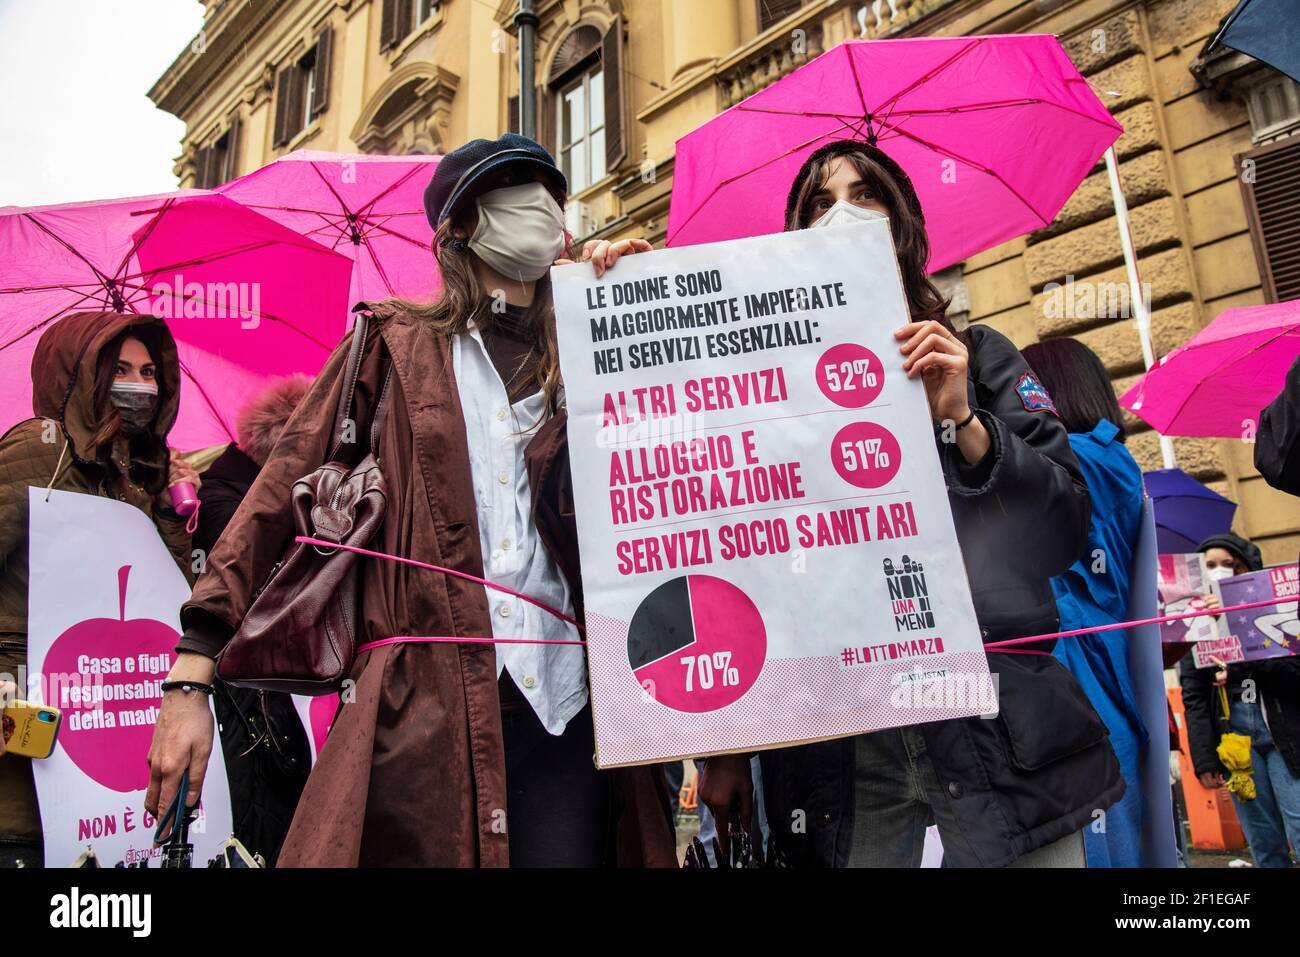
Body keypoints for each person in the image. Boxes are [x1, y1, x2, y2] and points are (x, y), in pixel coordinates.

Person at [146, 134, 677, 867]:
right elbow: (270, 504)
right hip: (418, 718)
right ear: (457, 228)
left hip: (572, 708)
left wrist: (641, 309)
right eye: (505, 192)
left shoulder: (596, 336)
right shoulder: (390, 349)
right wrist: (191, 671)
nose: (534, 206)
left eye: (545, 189)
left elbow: (684, 481)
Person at [699, 139, 1121, 868]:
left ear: (903, 229)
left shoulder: (981, 358)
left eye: (866, 196)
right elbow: (740, 576)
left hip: (998, 734)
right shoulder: (767, 391)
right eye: (819, 204)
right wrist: (727, 749)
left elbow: (1063, 532)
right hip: (845, 752)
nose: (842, 214)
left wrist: (966, 422)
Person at [0, 311, 197, 868]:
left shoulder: (140, 476)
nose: (140, 385)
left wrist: (169, 508)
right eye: (121, 369)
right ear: (82, 376)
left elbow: (171, 605)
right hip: (23, 773)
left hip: (104, 779)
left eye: (150, 372)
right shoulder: (41, 448)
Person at [1021, 338, 1147, 867]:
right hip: (1100, 677)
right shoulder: (1111, 459)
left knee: (1100, 847)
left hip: (1079, 682)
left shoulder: (1085, 459)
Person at [194, 375, 314, 866]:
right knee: (255, 813)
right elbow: (250, 577)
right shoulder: (226, 497)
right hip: (239, 688)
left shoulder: (246, 485)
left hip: (268, 687)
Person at [1178, 532, 1300, 867]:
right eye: (1211, 566)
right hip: (1237, 745)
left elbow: (1293, 674)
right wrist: (1203, 760)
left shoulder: (1278, 613)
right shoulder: (1198, 625)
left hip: (1286, 738)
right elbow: (1194, 695)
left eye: (1229, 565)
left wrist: (1241, 647)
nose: (1220, 572)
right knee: (1263, 841)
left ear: (1246, 569)